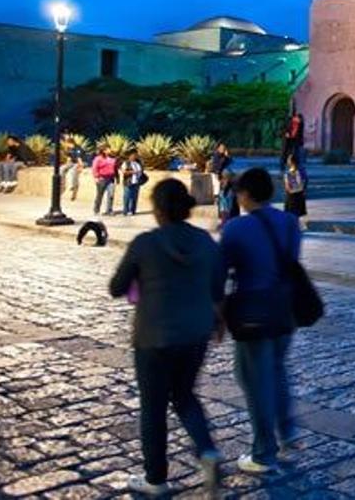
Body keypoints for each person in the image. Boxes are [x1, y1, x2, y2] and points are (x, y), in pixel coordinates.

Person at [108, 178, 224, 496]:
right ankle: (207, 451)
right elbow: (217, 288)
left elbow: (116, 287)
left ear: (158, 208)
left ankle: (155, 479)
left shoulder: (145, 243)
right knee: (185, 395)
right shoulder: (205, 242)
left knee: (153, 406)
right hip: (195, 333)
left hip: (153, 335)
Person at [220, 168, 303, 474]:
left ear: (244, 194)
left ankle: (263, 452)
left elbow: (221, 271)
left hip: (253, 311)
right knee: (277, 370)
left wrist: (217, 315)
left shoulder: (236, 228)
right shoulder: (290, 223)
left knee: (253, 379)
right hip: (286, 308)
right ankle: (288, 434)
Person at [92, 144, 118, 216]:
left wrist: (117, 178)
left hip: (111, 179)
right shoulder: (98, 158)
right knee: (99, 195)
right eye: (108, 149)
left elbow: (115, 168)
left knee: (111, 195)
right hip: (102, 179)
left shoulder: (112, 158)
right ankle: (96, 210)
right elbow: (94, 168)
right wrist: (96, 177)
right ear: (103, 151)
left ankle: (109, 210)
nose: (110, 150)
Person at [283, 155, 307, 229]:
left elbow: (288, 187)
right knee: (296, 213)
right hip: (299, 194)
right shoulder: (302, 170)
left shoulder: (290, 172)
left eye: (288, 160)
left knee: (292, 212)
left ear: (290, 162)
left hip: (292, 196)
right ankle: (296, 226)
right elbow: (305, 182)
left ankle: (294, 227)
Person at [121, 149, 146, 216]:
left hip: (137, 183)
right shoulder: (126, 163)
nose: (135, 156)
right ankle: (125, 211)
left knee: (134, 197)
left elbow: (141, 171)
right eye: (133, 155)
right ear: (129, 156)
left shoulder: (138, 163)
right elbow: (124, 172)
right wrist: (133, 172)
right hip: (128, 182)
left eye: (136, 155)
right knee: (127, 197)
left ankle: (132, 210)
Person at [62, 137, 87, 201]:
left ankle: (72, 186)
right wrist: (66, 166)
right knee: (62, 169)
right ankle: (62, 185)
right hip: (73, 162)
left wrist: (81, 167)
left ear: (70, 143)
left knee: (73, 171)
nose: (66, 145)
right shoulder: (69, 149)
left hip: (81, 162)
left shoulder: (78, 148)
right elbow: (69, 158)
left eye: (66, 143)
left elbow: (79, 159)